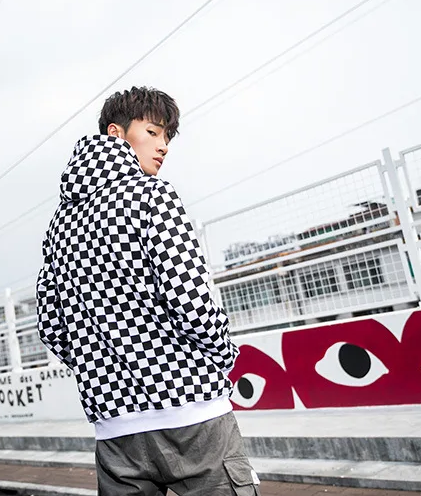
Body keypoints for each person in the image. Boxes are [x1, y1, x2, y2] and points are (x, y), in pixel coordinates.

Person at [36, 86, 260, 495]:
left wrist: (100, 365)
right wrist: (222, 356)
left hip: (115, 430)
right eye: (153, 132)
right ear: (116, 133)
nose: (164, 146)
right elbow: (190, 297)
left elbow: (51, 327)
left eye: (167, 136)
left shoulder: (60, 223)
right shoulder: (152, 195)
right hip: (192, 412)